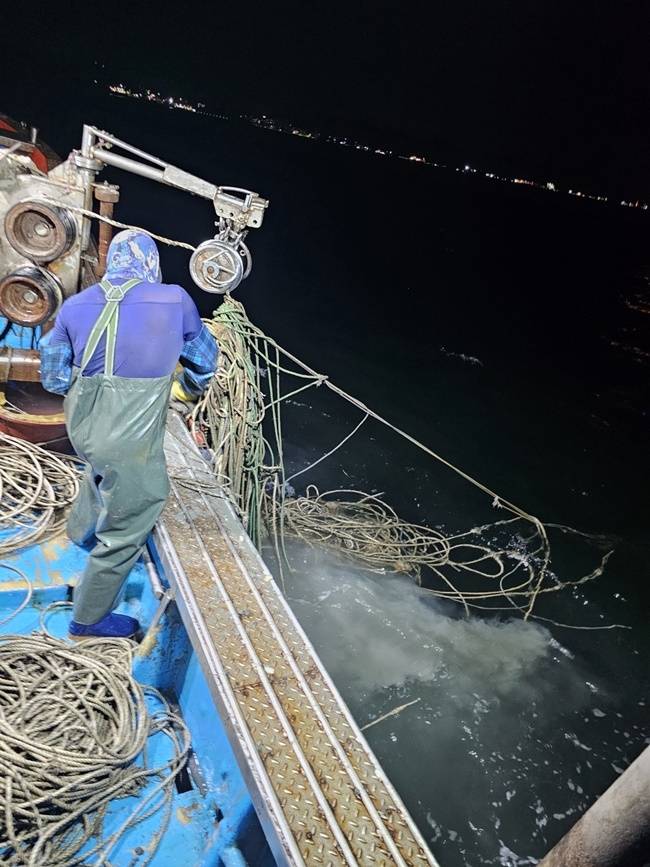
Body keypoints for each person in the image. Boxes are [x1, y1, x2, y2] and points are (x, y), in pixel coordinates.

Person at [41, 230, 218, 639]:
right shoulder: (175, 300)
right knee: (132, 516)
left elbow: (53, 377)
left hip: (84, 431)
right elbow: (205, 363)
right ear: (150, 265)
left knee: (98, 468)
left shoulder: (74, 306)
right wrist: (183, 390)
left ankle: (79, 533)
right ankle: (89, 618)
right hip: (130, 444)